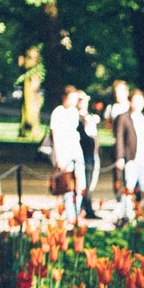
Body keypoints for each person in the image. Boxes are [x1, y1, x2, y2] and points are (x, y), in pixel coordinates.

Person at [112, 89, 144, 221]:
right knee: (128, 186)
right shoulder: (124, 117)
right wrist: (119, 157)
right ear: (130, 101)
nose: (139, 104)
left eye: (141, 101)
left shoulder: (143, 117)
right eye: (136, 101)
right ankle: (126, 211)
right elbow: (119, 139)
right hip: (131, 158)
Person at [47, 86, 87, 222]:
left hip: (76, 150)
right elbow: (55, 136)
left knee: (80, 184)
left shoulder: (74, 112)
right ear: (64, 97)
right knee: (68, 186)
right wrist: (58, 158)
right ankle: (71, 215)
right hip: (65, 152)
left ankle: (77, 210)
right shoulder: (58, 112)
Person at [77, 92, 101, 220]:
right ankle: (84, 208)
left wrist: (96, 151)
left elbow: (94, 136)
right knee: (83, 182)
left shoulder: (90, 118)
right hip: (82, 154)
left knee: (90, 182)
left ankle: (86, 207)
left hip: (92, 155)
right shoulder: (75, 117)